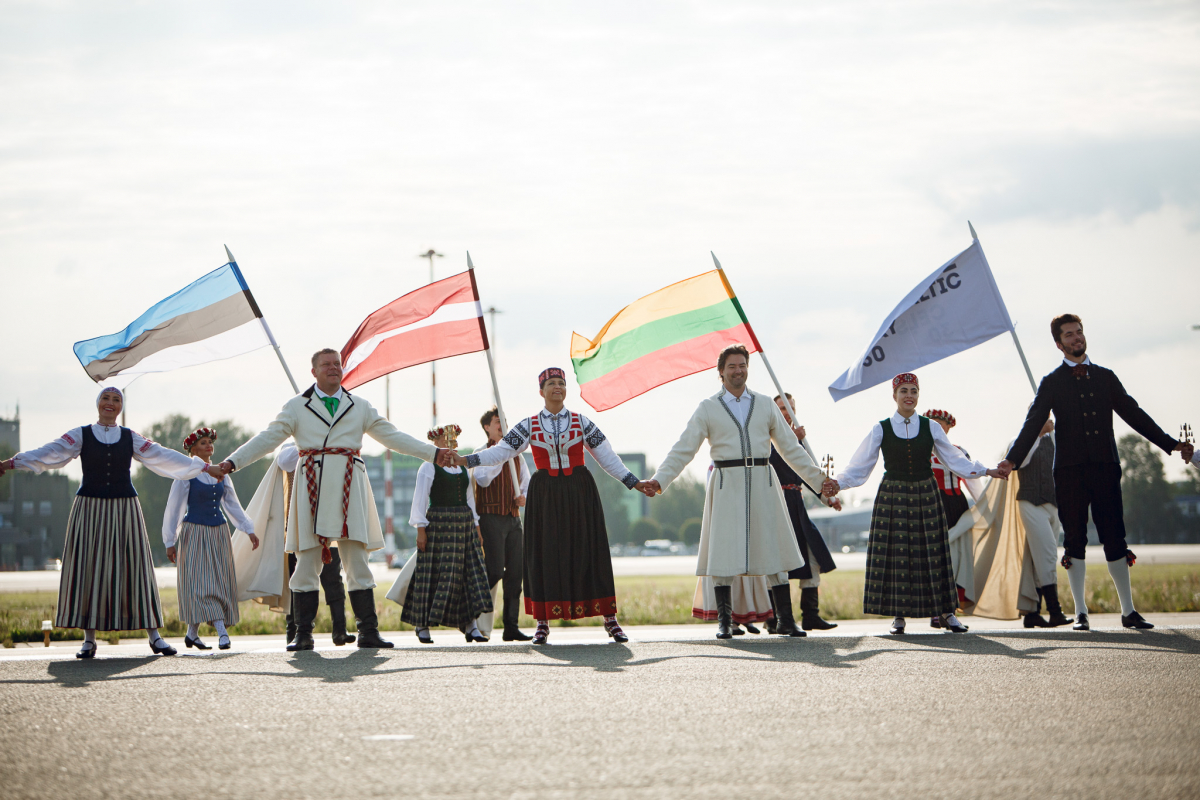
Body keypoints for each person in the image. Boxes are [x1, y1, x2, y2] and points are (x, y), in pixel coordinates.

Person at [213, 348, 453, 651]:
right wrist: (232, 463)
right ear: (313, 371)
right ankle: (303, 632)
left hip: (349, 484)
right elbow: (267, 438)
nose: (333, 368)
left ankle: (368, 630)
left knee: (358, 560)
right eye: (326, 364)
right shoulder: (297, 407)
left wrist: (433, 453)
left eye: (337, 364)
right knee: (306, 561)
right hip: (311, 486)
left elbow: (394, 436)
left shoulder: (359, 406)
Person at [998, 314, 1193, 630]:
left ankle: (1129, 611)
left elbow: (1135, 415)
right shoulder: (1051, 382)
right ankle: (1081, 612)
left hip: (1106, 468)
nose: (1077, 338)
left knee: (1115, 536)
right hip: (1069, 472)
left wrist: (1171, 445)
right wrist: (1012, 460)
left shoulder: (1106, 377)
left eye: (1079, 332)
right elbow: (1033, 422)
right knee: (1074, 539)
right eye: (1069, 335)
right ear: (1059, 344)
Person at [0, 387, 214, 658]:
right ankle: (89, 640)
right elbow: (49, 452)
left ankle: (154, 636)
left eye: (116, 400)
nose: (110, 403)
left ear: (120, 407)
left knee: (137, 567)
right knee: (88, 568)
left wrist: (205, 467)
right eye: (105, 398)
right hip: (89, 508)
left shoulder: (130, 437)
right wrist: (11, 463)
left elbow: (164, 456)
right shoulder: (81, 434)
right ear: (98, 403)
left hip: (125, 507)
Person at [642, 345, 827, 640]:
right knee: (724, 550)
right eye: (732, 366)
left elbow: (790, 448)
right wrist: (660, 480)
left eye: (742, 365)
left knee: (774, 547)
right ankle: (725, 622)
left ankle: (786, 621)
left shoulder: (765, 404)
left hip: (764, 479)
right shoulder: (708, 407)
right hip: (726, 480)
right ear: (720, 372)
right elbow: (684, 447)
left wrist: (819, 481)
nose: (738, 370)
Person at [457, 368, 651, 645]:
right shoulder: (530, 424)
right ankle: (542, 622)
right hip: (545, 493)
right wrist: (468, 460)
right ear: (541, 391)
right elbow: (502, 451)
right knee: (544, 553)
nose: (557, 387)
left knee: (590, 549)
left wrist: (633, 482)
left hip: (579, 491)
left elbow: (606, 456)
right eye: (551, 383)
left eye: (561, 383)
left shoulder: (582, 422)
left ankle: (610, 618)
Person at [823, 373, 1004, 635]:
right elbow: (860, 466)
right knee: (898, 554)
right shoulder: (880, 428)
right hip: (893, 493)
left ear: (918, 395)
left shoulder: (931, 426)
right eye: (904, 391)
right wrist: (839, 483)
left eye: (914, 391)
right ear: (894, 395)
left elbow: (955, 460)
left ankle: (947, 613)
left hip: (925, 493)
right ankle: (898, 616)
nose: (909, 395)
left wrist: (987, 470)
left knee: (935, 552)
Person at [163, 426, 259, 650]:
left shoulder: (222, 474)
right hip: (194, 532)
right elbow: (174, 508)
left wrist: (248, 528)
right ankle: (221, 631)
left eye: (210, 442)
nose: (208, 445)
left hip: (218, 532)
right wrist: (170, 540)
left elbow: (232, 504)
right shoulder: (186, 474)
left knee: (217, 581)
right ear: (193, 449)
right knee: (199, 582)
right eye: (203, 442)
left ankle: (192, 634)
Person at [400, 425, 492, 644]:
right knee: (432, 573)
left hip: (463, 525)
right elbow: (420, 500)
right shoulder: (428, 467)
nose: (450, 443)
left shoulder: (462, 467)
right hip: (439, 524)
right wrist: (421, 530)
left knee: (467, 574)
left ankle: (470, 625)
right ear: (436, 442)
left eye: (453, 439)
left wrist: (477, 528)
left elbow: (470, 500)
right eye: (445, 439)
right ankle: (422, 623)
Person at [770, 392, 841, 632]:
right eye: (782, 408)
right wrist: (791, 439)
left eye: (791, 408)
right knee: (776, 563)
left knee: (812, 558)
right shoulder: (766, 437)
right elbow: (772, 459)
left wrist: (828, 498)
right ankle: (776, 618)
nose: (787, 413)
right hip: (776, 504)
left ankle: (810, 615)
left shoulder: (797, 442)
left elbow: (809, 473)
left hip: (797, 504)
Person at [472, 406, 532, 641]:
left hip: (513, 519)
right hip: (491, 518)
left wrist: (523, 497)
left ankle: (511, 626)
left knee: (515, 573)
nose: (502, 424)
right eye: (498, 421)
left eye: (504, 421)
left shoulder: (517, 455)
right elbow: (482, 480)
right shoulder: (481, 453)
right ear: (487, 427)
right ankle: (472, 619)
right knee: (494, 570)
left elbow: (525, 481)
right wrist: (500, 454)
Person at [923, 409, 984, 628]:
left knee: (956, 557)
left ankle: (949, 610)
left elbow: (972, 481)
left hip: (956, 504)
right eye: (934, 424)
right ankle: (935, 610)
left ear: (949, 427)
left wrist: (984, 505)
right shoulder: (921, 450)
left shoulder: (959, 451)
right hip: (930, 504)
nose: (939, 428)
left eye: (942, 424)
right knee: (934, 556)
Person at [1012, 418, 1072, 628]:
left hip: (1053, 504)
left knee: (1039, 557)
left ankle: (1032, 613)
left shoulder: (1056, 441)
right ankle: (1055, 610)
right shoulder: (1019, 442)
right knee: (1047, 554)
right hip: (1030, 502)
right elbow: (1020, 461)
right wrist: (1037, 433)